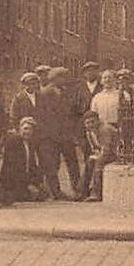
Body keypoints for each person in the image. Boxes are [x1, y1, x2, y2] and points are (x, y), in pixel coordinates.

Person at [42, 67, 83, 199]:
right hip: (51, 135)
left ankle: (78, 189)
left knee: (72, 162)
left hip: (66, 135)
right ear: (54, 78)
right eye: (63, 77)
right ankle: (55, 192)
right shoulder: (45, 93)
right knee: (53, 164)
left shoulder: (66, 92)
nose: (65, 80)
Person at [0, 115, 50, 203]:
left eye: (30, 129)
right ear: (20, 129)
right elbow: (14, 168)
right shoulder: (12, 142)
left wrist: (37, 182)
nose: (27, 132)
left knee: (43, 194)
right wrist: (28, 185)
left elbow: (32, 166)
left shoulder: (30, 144)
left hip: (24, 181)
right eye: (25, 129)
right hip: (12, 182)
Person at [80, 111, 110, 202]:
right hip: (102, 153)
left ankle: (96, 193)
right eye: (87, 123)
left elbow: (107, 149)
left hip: (113, 154)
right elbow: (95, 148)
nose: (90, 125)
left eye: (92, 122)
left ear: (98, 121)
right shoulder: (89, 133)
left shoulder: (105, 130)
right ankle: (82, 192)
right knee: (89, 162)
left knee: (99, 163)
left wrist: (98, 156)